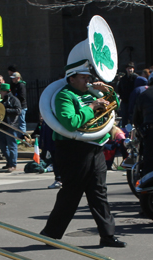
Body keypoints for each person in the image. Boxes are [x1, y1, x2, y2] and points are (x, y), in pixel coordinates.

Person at [40, 60, 127, 248]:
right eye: (83, 77)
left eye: (88, 76)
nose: (88, 80)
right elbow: (70, 122)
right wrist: (92, 107)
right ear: (71, 78)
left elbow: (115, 105)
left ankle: (107, 235)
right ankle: (50, 233)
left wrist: (106, 91)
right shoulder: (64, 96)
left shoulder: (91, 92)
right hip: (73, 150)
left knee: (99, 192)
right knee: (71, 194)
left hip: (95, 147)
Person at [0, 83, 21, 172]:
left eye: (1, 91)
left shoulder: (14, 100)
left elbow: (18, 110)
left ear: (5, 91)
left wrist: (5, 110)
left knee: (12, 146)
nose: (0, 93)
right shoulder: (2, 101)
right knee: (2, 146)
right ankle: (9, 162)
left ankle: (13, 164)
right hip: (2, 126)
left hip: (11, 125)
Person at [133, 75, 153, 177]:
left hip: (150, 131)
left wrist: (141, 129)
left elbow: (136, 118)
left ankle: (147, 184)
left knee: (148, 161)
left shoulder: (143, 95)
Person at [117, 62, 137, 127]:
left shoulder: (136, 78)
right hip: (125, 101)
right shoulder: (123, 79)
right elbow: (119, 89)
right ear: (126, 69)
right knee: (124, 117)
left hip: (133, 101)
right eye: (128, 68)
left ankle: (131, 132)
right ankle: (125, 133)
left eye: (131, 68)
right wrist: (122, 96)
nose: (130, 70)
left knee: (132, 118)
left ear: (133, 69)